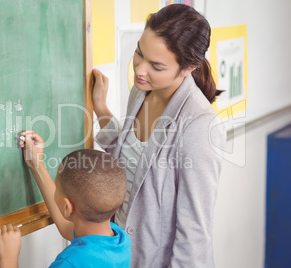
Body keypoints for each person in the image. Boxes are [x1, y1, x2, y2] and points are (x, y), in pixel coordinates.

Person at [93, 4, 226, 268]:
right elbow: (127, 161)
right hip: (119, 254)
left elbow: (194, 235)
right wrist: (101, 108)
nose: (140, 70)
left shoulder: (199, 127)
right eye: (139, 53)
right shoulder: (142, 91)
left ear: (187, 67)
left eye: (156, 65)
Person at [0, 141, 131, 268]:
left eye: (57, 187)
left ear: (67, 207)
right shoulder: (119, 240)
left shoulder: (70, 263)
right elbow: (66, 228)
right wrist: (36, 165)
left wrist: (9, 258)